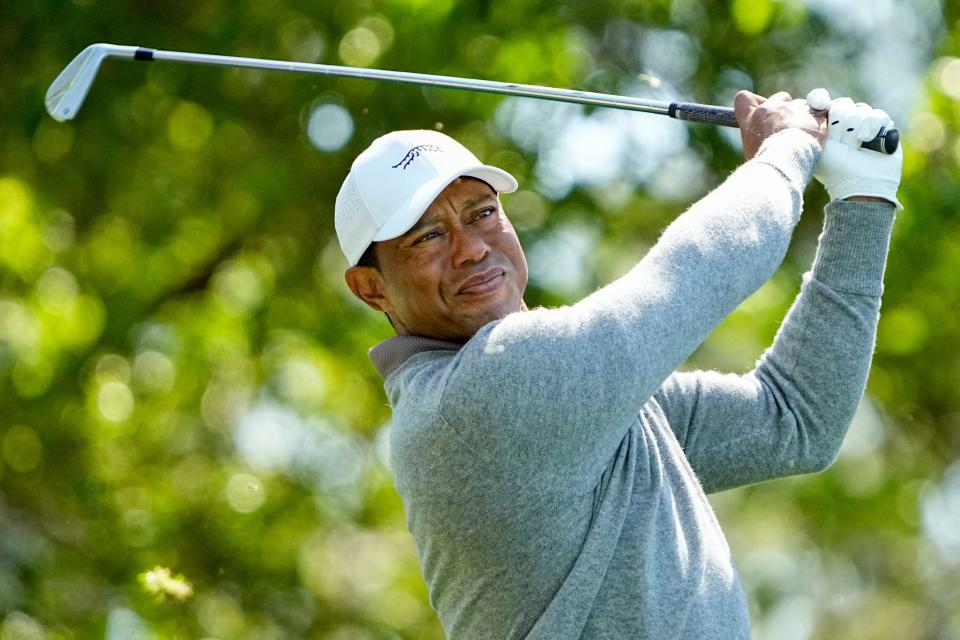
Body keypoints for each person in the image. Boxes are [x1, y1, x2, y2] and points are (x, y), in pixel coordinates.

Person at [334, 89, 903, 639]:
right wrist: (787, 149)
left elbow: (795, 421)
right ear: (371, 289)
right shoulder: (481, 399)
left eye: (482, 213)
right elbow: (694, 274)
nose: (472, 248)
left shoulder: (578, 402)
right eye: (429, 236)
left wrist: (864, 200)